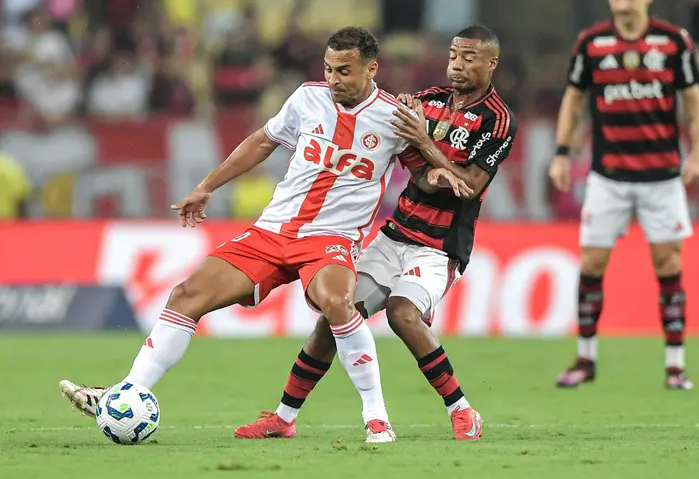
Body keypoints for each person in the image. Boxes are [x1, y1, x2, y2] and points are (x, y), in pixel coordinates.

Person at [59, 26, 468, 444]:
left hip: (330, 239)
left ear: (371, 69)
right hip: (273, 231)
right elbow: (262, 141)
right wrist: (206, 186)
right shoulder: (307, 98)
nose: (333, 79)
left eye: (344, 71)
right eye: (328, 69)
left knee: (338, 304)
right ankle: (127, 393)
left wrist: (438, 175)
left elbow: (423, 173)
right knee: (186, 295)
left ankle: (377, 419)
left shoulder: (394, 117)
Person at [232, 25, 517, 441]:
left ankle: (462, 410)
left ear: (491, 63)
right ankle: (283, 417)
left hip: (439, 247)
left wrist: (424, 142)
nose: (457, 65)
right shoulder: (425, 102)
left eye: (468, 58)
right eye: (453, 56)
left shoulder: (498, 119)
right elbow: (383, 128)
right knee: (336, 316)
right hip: (394, 236)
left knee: (402, 313)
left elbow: (470, 185)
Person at [548, 0, 699, 390]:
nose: (623, 4)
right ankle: (585, 359)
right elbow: (573, 99)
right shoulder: (591, 43)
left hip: (662, 176)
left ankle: (675, 365)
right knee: (592, 262)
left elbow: (694, 99)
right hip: (608, 177)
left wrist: (698, 153)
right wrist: (562, 153)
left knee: (667, 262)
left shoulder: (673, 42)